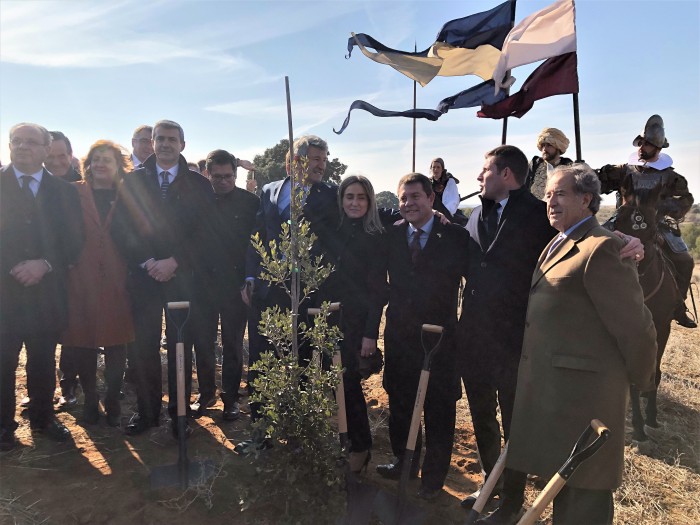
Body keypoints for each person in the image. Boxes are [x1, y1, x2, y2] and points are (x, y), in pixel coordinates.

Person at [457, 146, 645, 510]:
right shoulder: (473, 216)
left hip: (519, 342)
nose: (479, 177)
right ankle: (489, 484)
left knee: (516, 424)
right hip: (475, 340)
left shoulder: (538, 213)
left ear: (506, 175)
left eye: (485, 170)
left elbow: (579, 238)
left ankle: (512, 502)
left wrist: (626, 240)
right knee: (481, 417)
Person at [111, 120, 213, 437]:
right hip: (144, 277)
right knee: (144, 348)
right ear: (151, 143)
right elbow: (122, 229)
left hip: (182, 278)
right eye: (160, 139)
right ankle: (147, 412)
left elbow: (205, 233)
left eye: (172, 139)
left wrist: (175, 261)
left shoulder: (198, 184)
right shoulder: (132, 181)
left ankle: (179, 415)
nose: (166, 144)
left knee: (180, 347)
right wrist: (148, 261)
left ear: (183, 144)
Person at [238, 134, 338, 453]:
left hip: (307, 293)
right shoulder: (269, 190)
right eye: (314, 159)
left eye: (324, 159)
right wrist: (251, 275)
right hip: (268, 291)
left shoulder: (331, 196)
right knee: (261, 359)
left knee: (306, 360)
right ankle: (261, 433)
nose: (320, 165)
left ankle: (301, 434)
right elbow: (258, 235)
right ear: (291, 161)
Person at [376, 173, 470, 500]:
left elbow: (475, 279)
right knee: (401, 403)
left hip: (440, 338)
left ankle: (433, 477)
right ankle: (405, 463)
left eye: (415, 197)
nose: (408, 204)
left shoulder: (456, 236)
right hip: (400, 336)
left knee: (438, 408)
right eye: (403, 198)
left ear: (431, 199)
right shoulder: (392, 235)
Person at [0, 123, 84, 450]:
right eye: (16, 141)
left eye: (31, 142)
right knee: (3, 361)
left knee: (42, 360)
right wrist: (11, 266)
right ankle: (4, 426)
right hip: (4, 293)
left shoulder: (64, 191)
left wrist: (44, 264)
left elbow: (75, 240)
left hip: (46, 293)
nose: (22, 147)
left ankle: (43, 417)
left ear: (46, 148)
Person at [58, 140, 135, 427]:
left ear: (118, 166)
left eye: (108, 159)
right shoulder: (73, 193)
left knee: (117, 339)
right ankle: (90, 398)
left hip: (119, 276)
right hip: (80, 276)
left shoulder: (127, 196)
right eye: (96, 159)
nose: (101, 164)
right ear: (88, 164)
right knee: (82, 340)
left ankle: (113, 396)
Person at [597, 114, 696, 328]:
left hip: (657, 224)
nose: (643, 147)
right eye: (641, 142)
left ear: (658, 148)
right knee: (592, 247)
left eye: (648, 144)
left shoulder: (670, 177)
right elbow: (597, 183)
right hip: (620, 222)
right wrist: (588, 174)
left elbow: (685, 199)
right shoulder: (623, 170)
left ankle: (678, 306)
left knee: (685, 260)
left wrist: (665, 208)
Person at [321, 175, 388, 472]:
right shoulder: (334, 231)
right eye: (349, 196)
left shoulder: (374, 238)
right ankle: (344, 441)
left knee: (348, 385)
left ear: (370, 201)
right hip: (328, 318)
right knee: (333, 384)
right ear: (341, 199)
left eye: (361, 197)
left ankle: (361, 447)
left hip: (356, 322)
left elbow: (377, 291)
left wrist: (370, 334)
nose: (355, 202)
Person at [191, 149, 259, 421]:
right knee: (203, 343)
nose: (222, 181)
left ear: (236, 174)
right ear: (207, 174)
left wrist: (249, 280)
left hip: (235, 286)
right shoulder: (196, 202)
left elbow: (256, 245)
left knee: (232, 344)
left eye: (228, 176)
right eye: (216, 176)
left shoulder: (250, 203)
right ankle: (206, 392)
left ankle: (230, 398)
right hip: (202, 285)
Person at [526, 128, 573, 200]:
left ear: (558, 147)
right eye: (543, 145)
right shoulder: (533, 165)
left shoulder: (569, 168)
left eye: (549, 145)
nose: (544, 149)